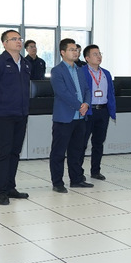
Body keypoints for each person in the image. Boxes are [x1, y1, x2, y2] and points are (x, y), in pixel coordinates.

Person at [0, 29, 31, 205]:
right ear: (4, 43)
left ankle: (10, 188)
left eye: (19, 38)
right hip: (3, 114)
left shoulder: (26, 64)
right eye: (14, 39)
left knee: (15, 152)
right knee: (4, 153)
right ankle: (1, 191)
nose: (18, 41)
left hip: (21, 114)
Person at [49, 38, 92, 193]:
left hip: (80, 117)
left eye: (77, 50)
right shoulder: (57, 71)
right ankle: (57, 182)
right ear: (63, 52)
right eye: (72, 50)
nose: (76, 52)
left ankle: (76, 179)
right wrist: (80, 106)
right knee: (59, 152)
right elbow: (62, 93)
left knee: (77, 151)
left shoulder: (80, 70)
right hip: (64, 117)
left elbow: (87, 90)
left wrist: (86, 104)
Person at [82, 44, 116, 181]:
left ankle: (95, 171)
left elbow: (111, 93)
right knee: (82, 143)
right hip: (88, 111)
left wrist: (111, 110)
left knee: (98, 143)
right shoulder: (81, 72)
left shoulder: (106, 73)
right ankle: (78, 172)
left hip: (103, 111)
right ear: (87, 58)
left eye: (100, 53)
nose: (99, 56)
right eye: (95, 54)